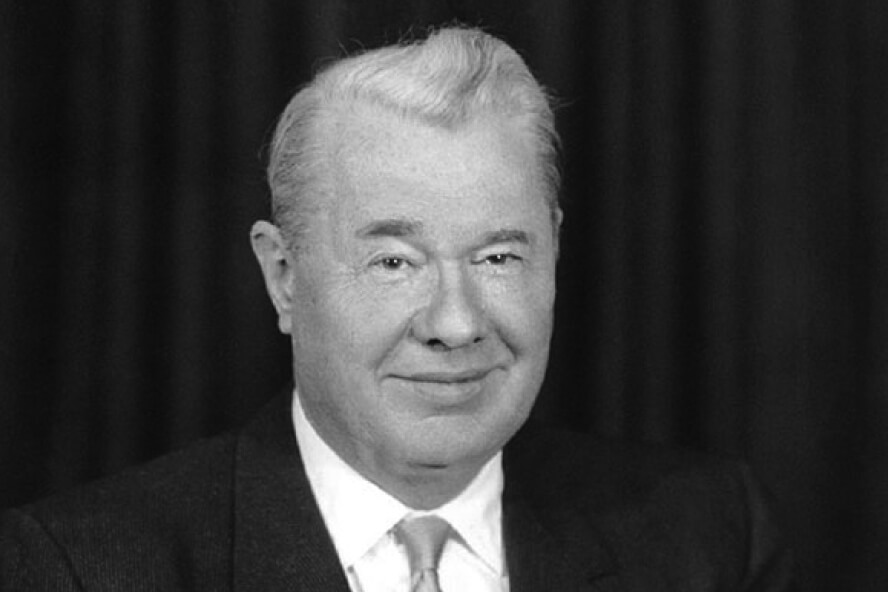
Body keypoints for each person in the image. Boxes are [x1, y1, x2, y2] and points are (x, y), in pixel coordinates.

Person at [0, 26, 793, 591]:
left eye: (497, 257)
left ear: (553, 250)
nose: (456, 322)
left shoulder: (709, 538)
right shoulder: (80, 566)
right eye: (394, 262)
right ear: (282, 276)